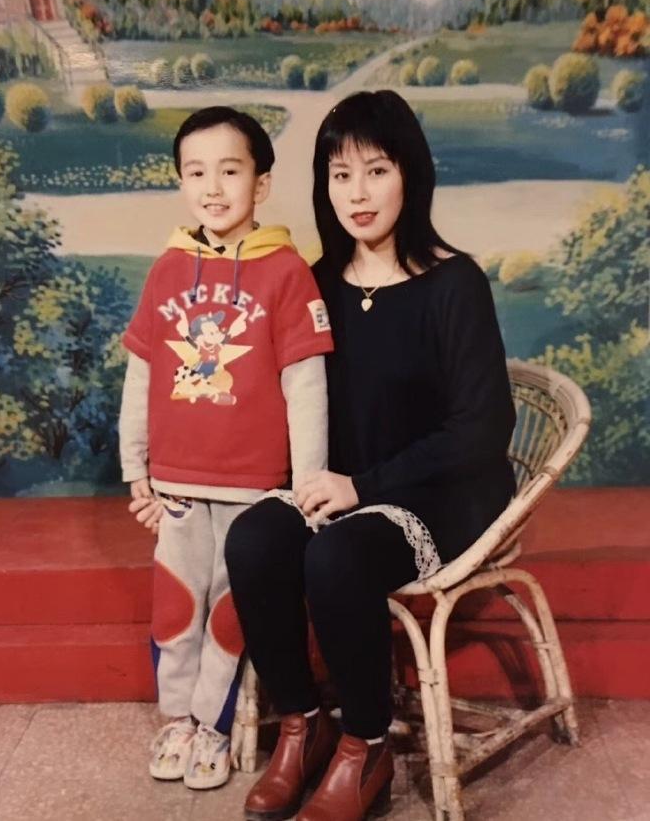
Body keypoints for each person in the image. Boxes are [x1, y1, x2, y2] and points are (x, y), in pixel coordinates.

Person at [225, 90, 516, 821]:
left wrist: (364, 486)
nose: (357, 193)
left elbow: (482, 429)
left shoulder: (454, 283)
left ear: (411, 173)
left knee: (337, 555)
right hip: (346, 482)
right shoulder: (317, 281)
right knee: (254, 537)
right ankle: (303, 725)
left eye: (376, 170)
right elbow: (279, 393)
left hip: (443, 490)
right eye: (340, 174)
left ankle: (366, 743)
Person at [119, 106, 333, 791]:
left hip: (253, 487)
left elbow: (306, 385)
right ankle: (176, 720)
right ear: (181, 180)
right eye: (196, 172)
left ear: (261, 183)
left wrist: (308, 484)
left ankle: (212, 726)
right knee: (176, 607)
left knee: (228, 612)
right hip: (177, 482)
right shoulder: (166, 270)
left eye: (230, 171)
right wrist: (135, 467)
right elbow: (142, 372)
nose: (212, 188)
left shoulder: (287, 272)